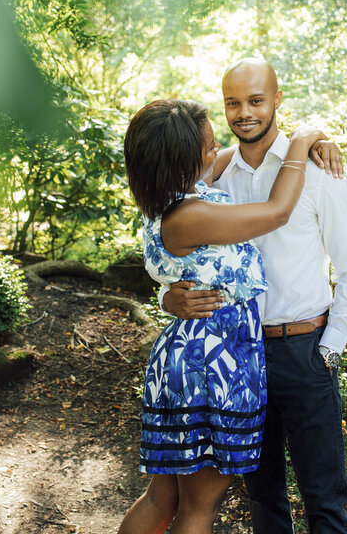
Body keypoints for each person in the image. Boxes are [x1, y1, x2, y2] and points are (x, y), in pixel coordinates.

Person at [163, 58, 347, 534]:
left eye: (256, 100)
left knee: (325, 500)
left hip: (305, 350)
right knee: (262, 496)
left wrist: (331, 347)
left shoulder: (318, 171)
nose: (245, 113)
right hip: (237, 354)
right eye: (233, 103)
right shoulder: (211, 180)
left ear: (277, 100)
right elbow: (174, 248)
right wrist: (168, 299)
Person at [117, 97, 330, 534]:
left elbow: (246, 150)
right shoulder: (190, 214)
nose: (218, 152)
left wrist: (285, 139)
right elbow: (277, 211)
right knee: (197, 507)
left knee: (162, 499)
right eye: (210, 147)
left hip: (191, 356)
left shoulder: (179, 193)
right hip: (213, 367)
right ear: (182, 160)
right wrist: (305, 138)